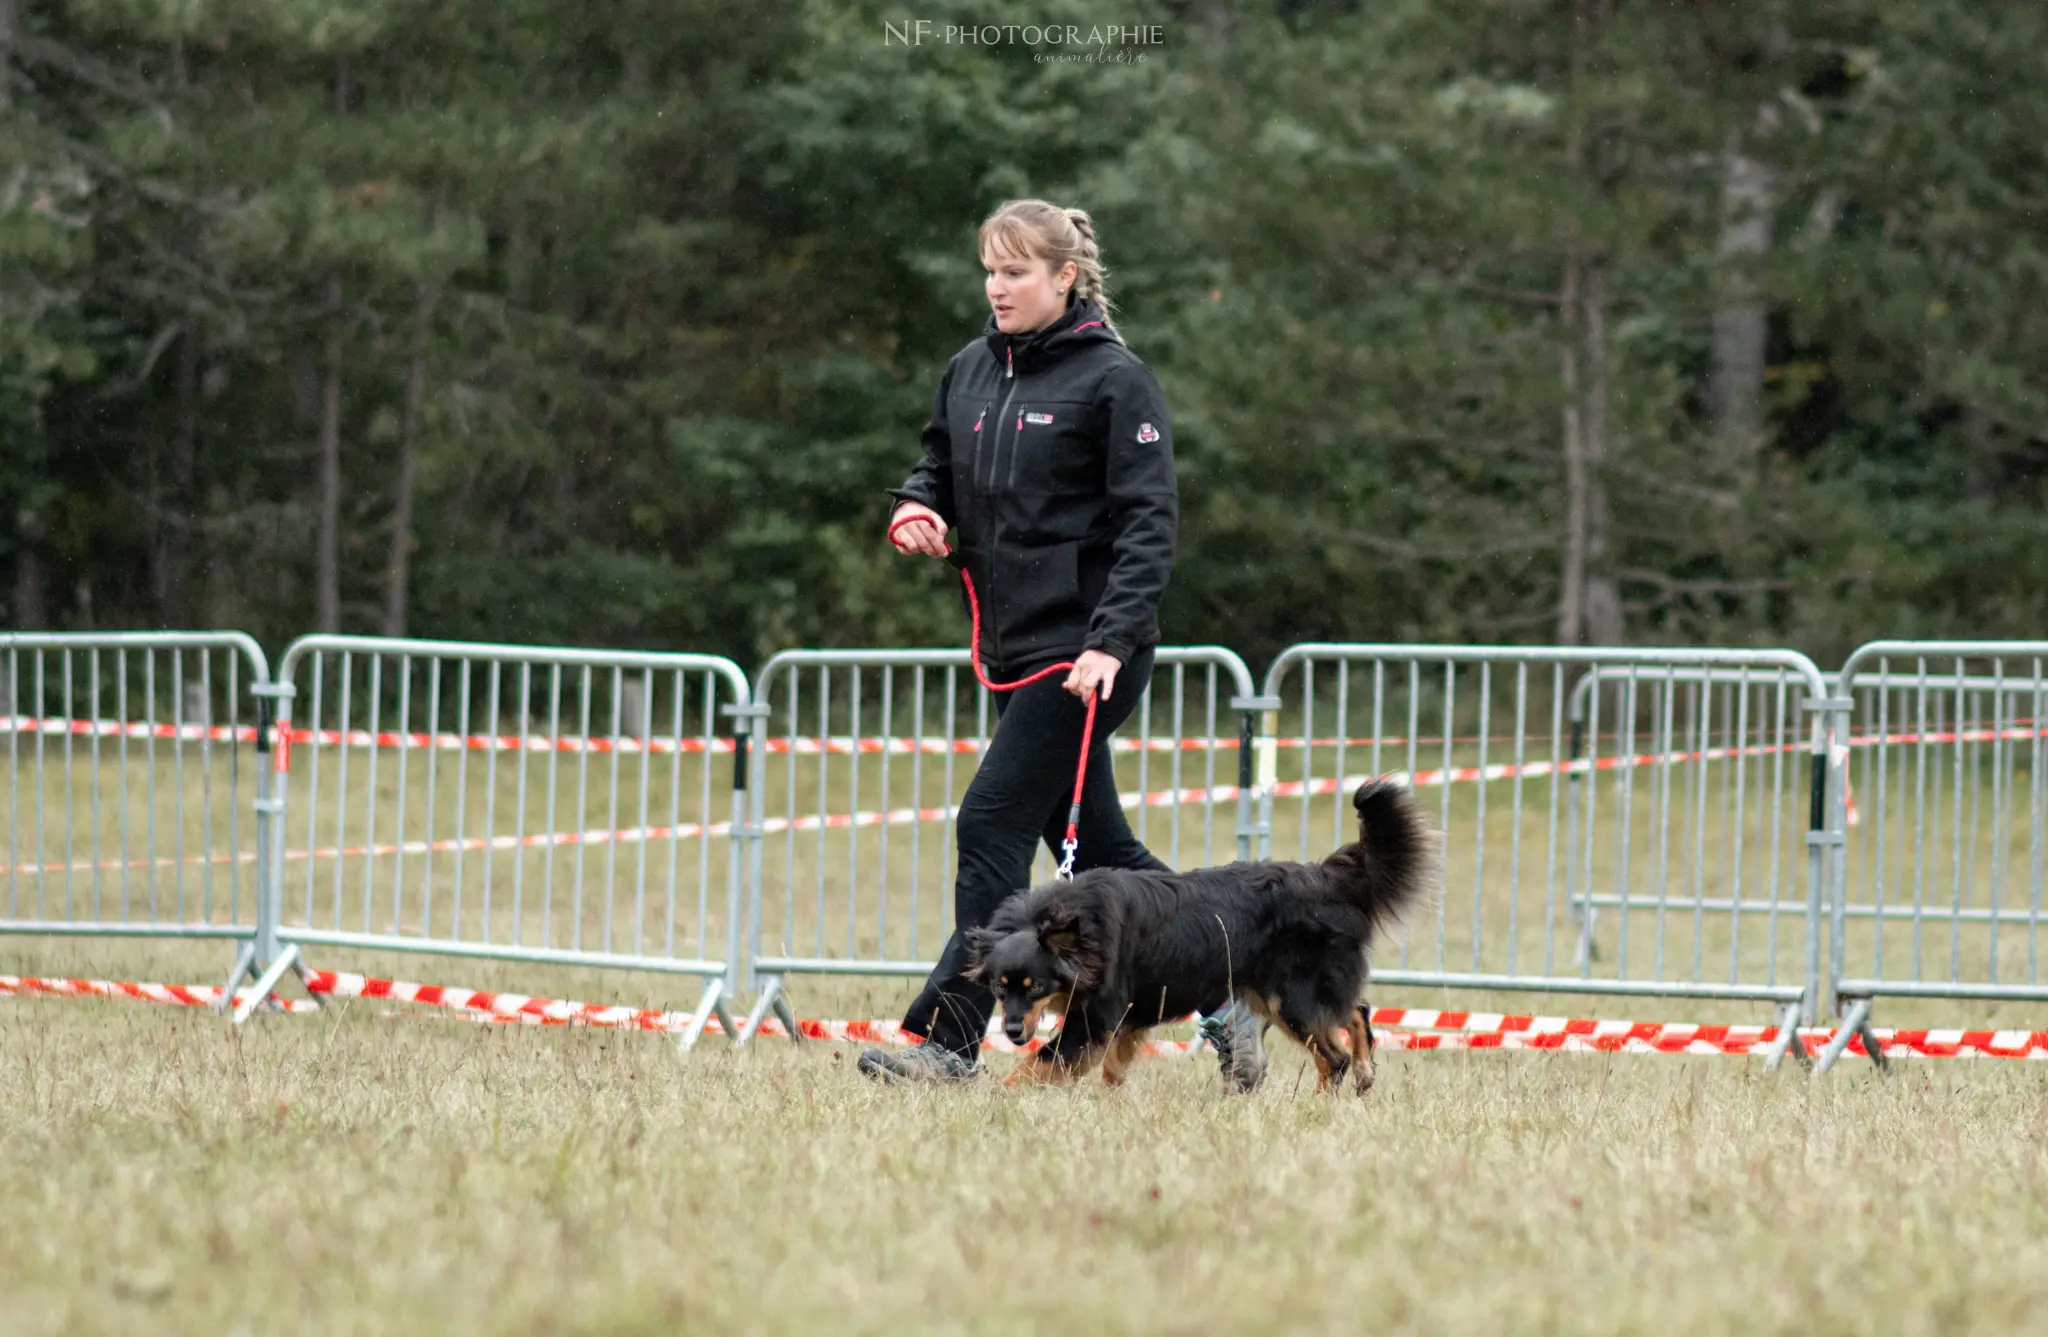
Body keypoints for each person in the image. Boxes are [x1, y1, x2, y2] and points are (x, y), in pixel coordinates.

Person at [856, 198, 1268, 1090]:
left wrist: (1113, 640)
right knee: (1108, 852)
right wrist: (918, 506)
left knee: (991, 822)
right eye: (990, 271)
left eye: (1016, 271)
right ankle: (1228, 991)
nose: (997, 287)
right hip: (1009, 650)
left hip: (1086, 657)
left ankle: (949, 1044)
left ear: (1064, 278)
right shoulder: (969, 369)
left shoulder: (1115, 380)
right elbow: (936, 464)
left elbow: (1149, 523)